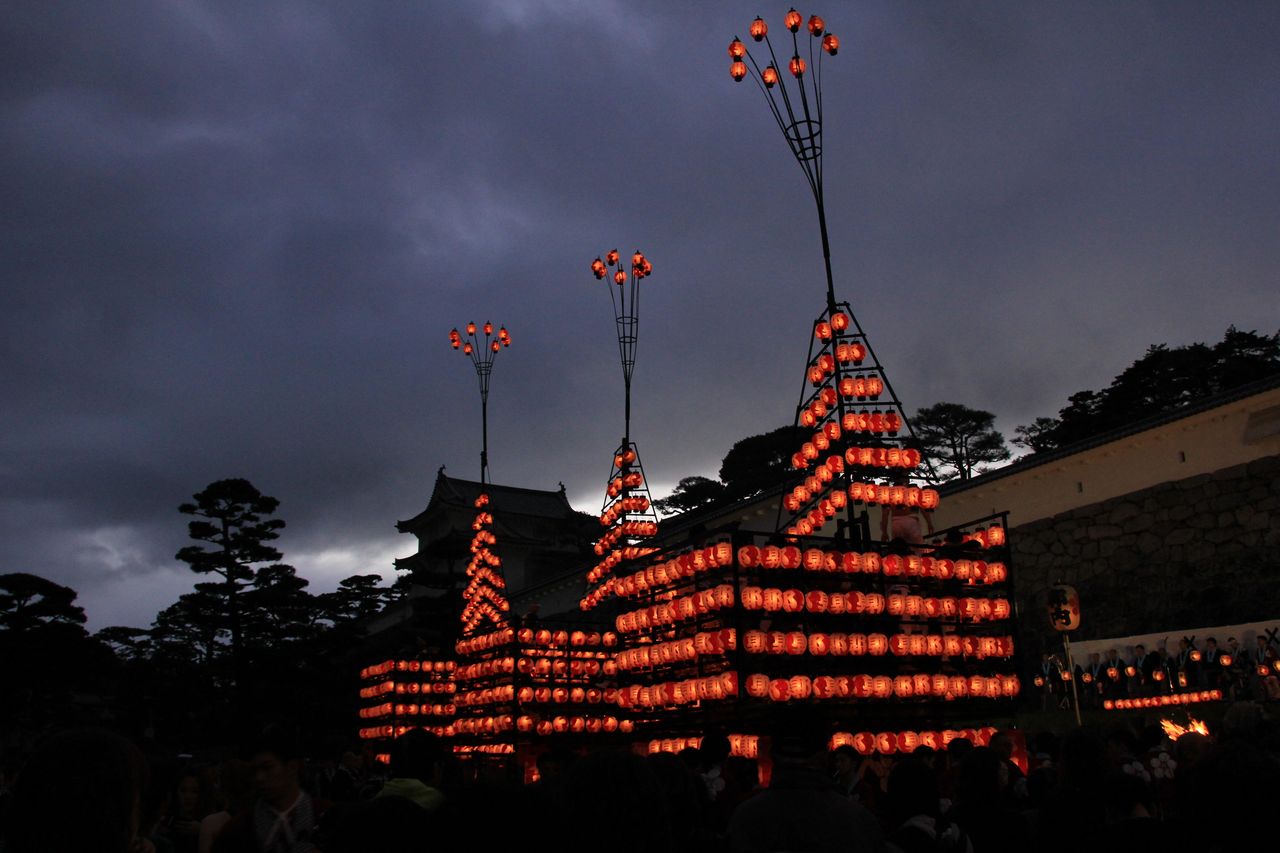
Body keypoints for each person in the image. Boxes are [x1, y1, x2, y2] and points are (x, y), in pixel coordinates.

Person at [212, 726, 325, 853]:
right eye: (254, 770)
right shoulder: (237, 830)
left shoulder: (330, 819)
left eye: (267, 768)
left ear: (292, 767)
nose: (259, 778)